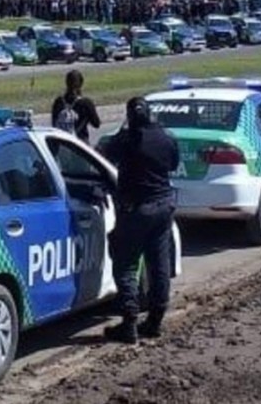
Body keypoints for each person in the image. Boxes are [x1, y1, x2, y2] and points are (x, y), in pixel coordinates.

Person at [100, 96, 179, 344]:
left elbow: (104, 154)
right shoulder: (165, 138)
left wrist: (123, 130)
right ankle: (155, 321)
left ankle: (129, 322)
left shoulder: (127, 139)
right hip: (163, 206)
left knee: (125, 264)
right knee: (159, 264)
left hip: (136, 210)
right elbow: (173, 164)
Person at [51, 70, 101, 145]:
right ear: (81, 84)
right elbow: (96, 124)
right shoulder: (86, 103)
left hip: (61, 144)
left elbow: (54, 123)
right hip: (79, 144)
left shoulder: (58, 102)